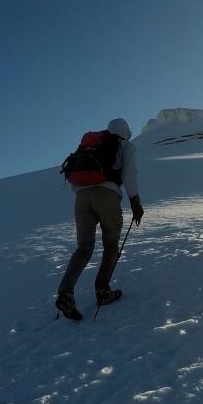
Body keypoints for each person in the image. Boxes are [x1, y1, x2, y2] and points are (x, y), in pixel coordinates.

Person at [54, 118, 144, 320]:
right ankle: (102, 292)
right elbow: (129, 174)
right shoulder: (125, 146)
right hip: (107, 196)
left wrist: (84, 191)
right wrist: (135, 203)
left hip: (81, 198)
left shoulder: (90, 146)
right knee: (111, 246)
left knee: (84, 248)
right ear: (126, 132)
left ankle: (65, 294)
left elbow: (75, 174)